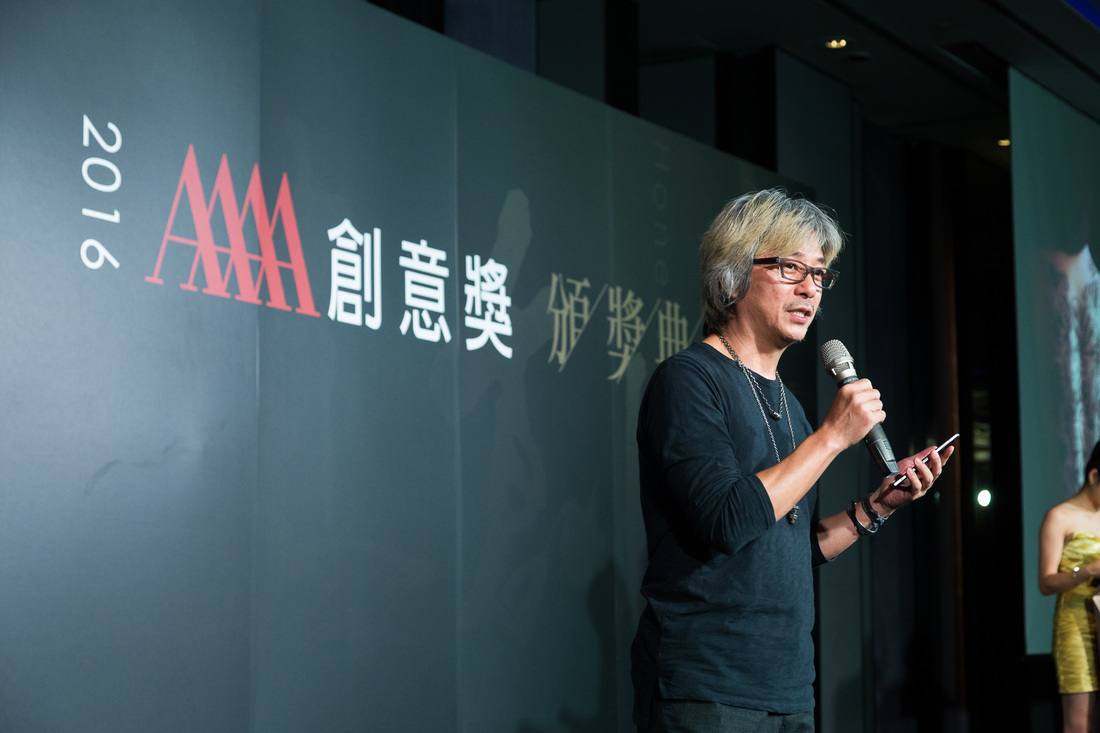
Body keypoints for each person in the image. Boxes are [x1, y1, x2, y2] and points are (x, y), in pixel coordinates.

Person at [630, 189, 953, 733]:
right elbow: (728, 520)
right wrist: (831, 437)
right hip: (706, 688)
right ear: (733, 275)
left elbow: (788, 547)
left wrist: (876, 508)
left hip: (789, 689)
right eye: (790, 268)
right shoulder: (687, 381)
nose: (810, 288)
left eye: (819, 274)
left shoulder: (791, 406)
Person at [1039, 440, 1100, 733]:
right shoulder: (1059, 516)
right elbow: (1046, 582)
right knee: (1080, 724)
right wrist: (1088, 570)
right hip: (1076, 625)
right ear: (1094, 476)